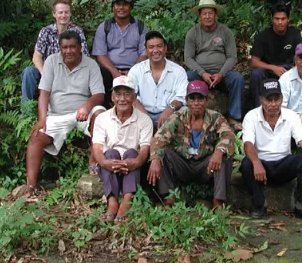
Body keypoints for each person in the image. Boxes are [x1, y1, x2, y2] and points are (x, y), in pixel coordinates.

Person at [14, 31, 105, 197]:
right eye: (64, 47)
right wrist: (42, 119)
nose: (68, 51)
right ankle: (31, 186)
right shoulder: (51, 61)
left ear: (80, 47)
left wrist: (87, 106)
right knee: (36, 137)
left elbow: (99, 94)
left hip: (83, 111)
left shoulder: (91, 64)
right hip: (57, 114)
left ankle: (93, 164)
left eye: (72, 47)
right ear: (60, 48)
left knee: (101, 115)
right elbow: (44, 93)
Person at [241, 78, 302, 219]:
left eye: (277, 99)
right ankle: (259, 203)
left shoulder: (290, 116)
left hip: (284, 163)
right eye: (269, 100)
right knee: (246, 164)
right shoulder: (251, 117)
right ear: (261, 99)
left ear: (281, 98)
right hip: (262, 166)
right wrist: (256, 163)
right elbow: (247, 144)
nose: (273, 104)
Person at [147, 80, 236, 209]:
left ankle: (218, 202)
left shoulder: (216, 117)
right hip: (183, 164)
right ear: (187, 101)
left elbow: (229, 135)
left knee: (224, 155)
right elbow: (159, 138)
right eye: (192, 99)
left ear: (206, 101)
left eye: (200, 99)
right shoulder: (177, 117)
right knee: (163, 152)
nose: (196, 103)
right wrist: (155, 159)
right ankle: (168, 198)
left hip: (205, 166)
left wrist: (218, 152)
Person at [92, 76, 153, 223]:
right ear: (112, 97)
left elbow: (144, 150)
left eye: (127, 94)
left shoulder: (144, 120)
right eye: (118, 94)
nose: (122, 99)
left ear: (134, 97)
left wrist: (136, 162)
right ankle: (112, 202)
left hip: (132, 166)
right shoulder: (102, 118)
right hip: (110, 164)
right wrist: (104, 162)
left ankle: (127, 201)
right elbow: (97, 148)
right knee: (110, 153)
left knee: (132, 153)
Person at [184, 0, 244, 126]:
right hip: (201, 75)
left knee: (237, 79)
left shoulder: (225, 32)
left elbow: (232, 57)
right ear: (199, 15)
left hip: (222, 74)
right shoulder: (192, 33)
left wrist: (221, 74)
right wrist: (203, 73)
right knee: (187, 77)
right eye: (204, 13)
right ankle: (190, 115)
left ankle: (234, 118)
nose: (207, 17)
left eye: (210, 13)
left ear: (215, 14)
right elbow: (188, 58)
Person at [21, 0, 88, 103]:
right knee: (29, 72)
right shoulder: (46, 31)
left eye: (66, 12)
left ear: (70, 14)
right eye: (60, 12)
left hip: (69, 71)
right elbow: (36, 56)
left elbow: (84, 56)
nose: (63, 15)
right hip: (47, 71)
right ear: (54, 14)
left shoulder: (77, 32)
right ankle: (26, 111)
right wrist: (45, 74)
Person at [92, 0, 148, 108]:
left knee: (148, 73)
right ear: (113, 7)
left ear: (131, 7)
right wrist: (115, 72)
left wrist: (133, 71)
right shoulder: (104, 27)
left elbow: (144, 52)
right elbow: (100, 55)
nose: (121, 8)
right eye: (118, 4)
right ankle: (105, 107)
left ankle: (143, 107)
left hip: (135, 68)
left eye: (125, 4)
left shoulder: (140, 26)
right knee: (99, 74)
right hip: (110, 70)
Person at [128, 30, 188, 128]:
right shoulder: (136, 70)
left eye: (159, 46)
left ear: (165, 48)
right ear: (146, 50)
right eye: (151, 47)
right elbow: (130, 95)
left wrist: (169, 110)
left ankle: (178, 140)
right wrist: (143, 114)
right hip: (142, 112)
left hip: (168, 113)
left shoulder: (178, 71)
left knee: (186, 110)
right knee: (125, 107)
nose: (155, 50)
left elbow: (181, 97)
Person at [249, 4, 302, 108]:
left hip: (288, 69)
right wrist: (273, 68)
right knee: (256, 74)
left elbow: (300, 55)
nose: (280, 22)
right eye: (277, 19)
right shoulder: (263, 36)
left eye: (283, 19)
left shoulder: (294, 34)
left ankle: (295, 110)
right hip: (268, 70)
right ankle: (259, 109)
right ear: (272, 19)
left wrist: (295, 67)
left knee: (301, 71)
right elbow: (254, 62)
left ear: (288, 19)